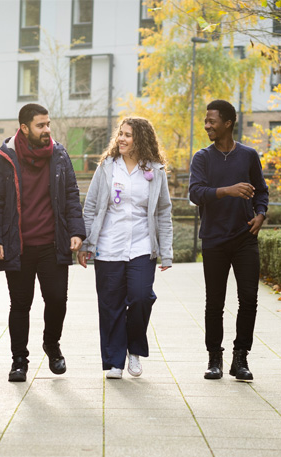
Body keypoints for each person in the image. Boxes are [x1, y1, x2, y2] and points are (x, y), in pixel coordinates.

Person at [0, 103, 86, 382]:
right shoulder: (3, 160)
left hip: (53, 244)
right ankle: (19, 361)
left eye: (48, 124)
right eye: (41, 125)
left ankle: (51, 345)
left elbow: (71, 196)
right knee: (20, 304)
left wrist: (76, 231)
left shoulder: (60, 155)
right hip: (18, 246)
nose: (47, 130)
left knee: (57, 299)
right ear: (25, 128)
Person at [78, 117, 173, 379]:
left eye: (128, 135)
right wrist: (86, 244)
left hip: (142, 245)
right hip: (108, 245)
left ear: (140, 139)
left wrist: (167, 251)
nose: (121, 139)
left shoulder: (155, 171)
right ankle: (113, 361)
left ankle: (134, 348)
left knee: (142, 297)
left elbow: (164, 211)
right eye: (120, 134)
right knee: (110, 304)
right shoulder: (107, 167)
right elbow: (91, 206)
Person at [189, 100, 269, 381]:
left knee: (249, 298)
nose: (207, 125)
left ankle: (240, 358)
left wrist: (261, 214)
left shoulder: (248, 155)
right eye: (206, 120)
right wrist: (228, 191)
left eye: (212, 121)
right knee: (215, 302)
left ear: (228, 123)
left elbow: (261, 191)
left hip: (245, 237)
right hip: (214, 239)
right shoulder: (202, 157)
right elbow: (196, 193)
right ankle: (214, 359)